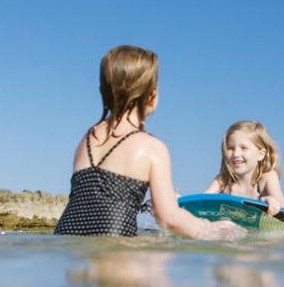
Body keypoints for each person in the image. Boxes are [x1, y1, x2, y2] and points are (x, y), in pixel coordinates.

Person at [55, 45, 241, 239]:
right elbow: (168, 217)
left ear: (103, 92)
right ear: (151, 96)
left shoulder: (87, 140)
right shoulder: (152, 148)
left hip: (66, 241)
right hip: (115, 247)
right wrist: (212, 229)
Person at [204, 120, 284, 215]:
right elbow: (202, 199)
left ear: (260, 154)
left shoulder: (267, 176)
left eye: (244, 148)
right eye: (231, 148)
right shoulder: (224, 179)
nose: (236, 154)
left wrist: (271, 200)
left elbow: (283, 207)